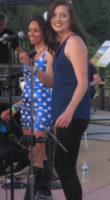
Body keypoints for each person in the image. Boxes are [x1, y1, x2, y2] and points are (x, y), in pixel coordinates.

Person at [1, 15, 53, 200]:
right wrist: (13, 109)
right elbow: (28, 91)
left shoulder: (49, 54)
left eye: (35, 30)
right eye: (29, 30)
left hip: (43, 109)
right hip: (27, 108)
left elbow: (50, 82)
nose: (31, 34)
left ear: (45, 32)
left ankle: (29, 196)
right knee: (36, 154)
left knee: (37, 153)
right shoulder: (31, 54)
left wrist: (31, 66)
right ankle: (45, 191)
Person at [46, 0, 90, 199]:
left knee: (65, 168)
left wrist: (69, 111)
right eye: (54, 15)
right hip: (63, 112)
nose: (58, 19)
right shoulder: (60, 44)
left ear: (71, 18)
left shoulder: (74, 42)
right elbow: (56, 82)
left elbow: (83, 83)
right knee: (61, 167)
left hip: (72, 113)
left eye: (63, 15)